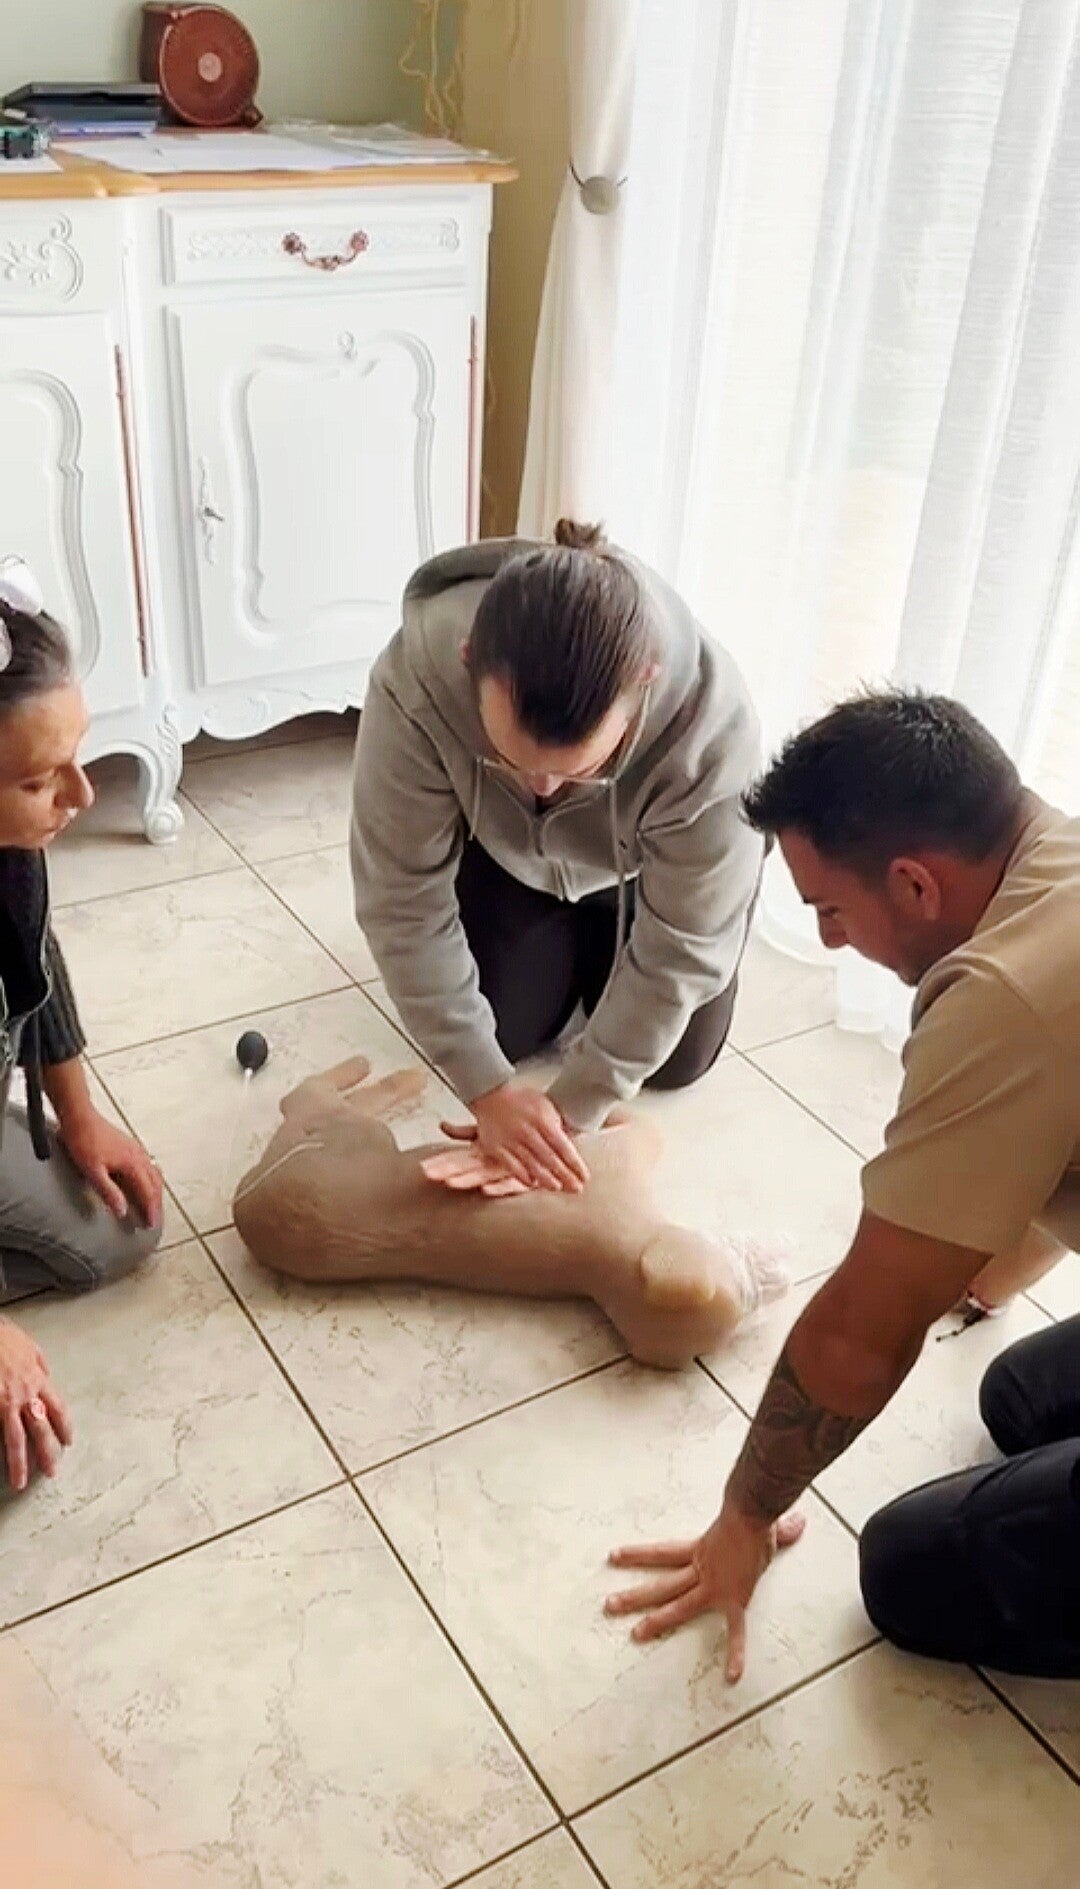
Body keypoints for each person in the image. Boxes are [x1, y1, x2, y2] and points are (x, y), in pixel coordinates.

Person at [606, 690, 1079, 1681]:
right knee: (1018, 1398)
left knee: (907, 1569)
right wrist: (979, 1281)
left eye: (828, 908)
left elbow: (864, 1331)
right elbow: (1046, 1149)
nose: (825, 940)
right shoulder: (1049, 853)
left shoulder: (1004, 995)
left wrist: (743, 1517)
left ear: (913, 883)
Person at [350, 521, 764, 1196]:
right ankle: (556, 938)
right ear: (467, 659)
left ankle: (626, 932)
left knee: (677, 1060)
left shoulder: (714, 733)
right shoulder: (417, 679)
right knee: (501, 1030)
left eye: (579, 769)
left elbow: (681, 949)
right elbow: (398, 899)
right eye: (510, 761)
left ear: (645, 684)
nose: (541, 788)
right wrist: (488, 1090)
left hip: (646, 871)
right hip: (513, 858)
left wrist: (573, 1113)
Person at [0, 559, 162, 1495]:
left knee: (119, 1231)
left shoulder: (13, 850)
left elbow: (38, 963)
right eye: (38, 779)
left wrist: (83, 1116)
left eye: (78, 753)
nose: (83, 796)